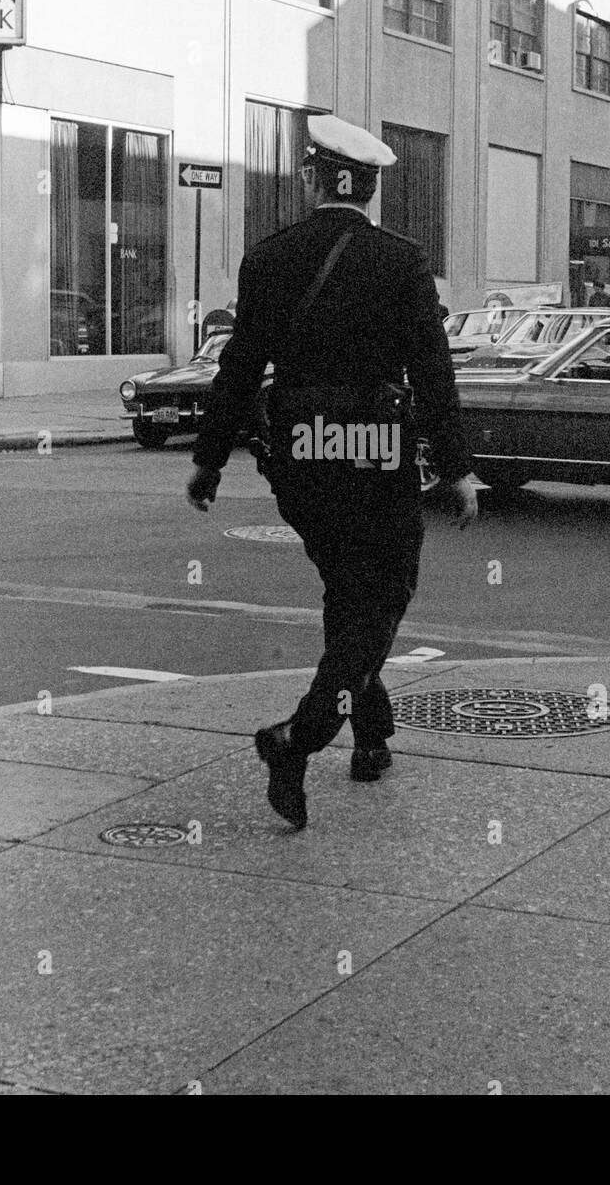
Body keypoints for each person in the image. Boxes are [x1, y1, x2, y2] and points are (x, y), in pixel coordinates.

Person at [185, 115, 478, 829]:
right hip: (374, 448)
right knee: (384, 595)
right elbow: (433, 372)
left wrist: (209, 458)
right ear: (371, 190)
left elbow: (239, 365)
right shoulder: (403, 260)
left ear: (315, 179)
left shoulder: (270, 257)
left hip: (300, 456)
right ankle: (300, 737)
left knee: (350, 591)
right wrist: (457, 466)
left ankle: (371, 738)